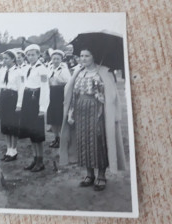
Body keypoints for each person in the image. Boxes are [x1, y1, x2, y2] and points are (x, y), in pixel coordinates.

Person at [59, 47, 127, 191]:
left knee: (98, 141)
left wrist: (99, 91)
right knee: (83, 142)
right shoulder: (79, 72)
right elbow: (72, 93)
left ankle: (101, 176)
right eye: (81, 56)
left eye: (87, 56)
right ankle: (89, 175)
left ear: (93, 57)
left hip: (97, 111)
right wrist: (71, 112)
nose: (83, 59)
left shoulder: (103, 72)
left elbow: (111, 95)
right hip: (80, 110)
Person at [18, 44, 50, 172]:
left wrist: (42, 107)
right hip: (27, 99)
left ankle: (40, 161)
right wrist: (20, 104)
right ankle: (35, 158)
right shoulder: (26, 68)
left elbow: (45, 89)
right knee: (31, 132)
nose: (31, 57)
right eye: (29, 55)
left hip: (36, 99)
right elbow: (23, 86)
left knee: (37, 133)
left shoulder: (42, 69)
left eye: (33, 55)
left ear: (38, 55)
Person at [0, 50, 24, 162]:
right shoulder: (2, 71)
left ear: (13, 59)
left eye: (7, 58)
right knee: (5, 125)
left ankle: (14, 150)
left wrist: (19, 104)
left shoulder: (19, 72)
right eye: (3, 58)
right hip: (4, 97)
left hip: (13, 97)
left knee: (13, 125)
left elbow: (21, 89)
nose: (4, 60)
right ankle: (8, 150)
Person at [47, 50, 71, 148]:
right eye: (54, 59)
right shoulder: (49, 68)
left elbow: (68, 82)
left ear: (61, 59)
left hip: (60, 93)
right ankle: (55, 137)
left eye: (57, 59)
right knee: (52, 118)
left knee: (59, 117)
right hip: (51, 93)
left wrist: (58, 79)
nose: (55, 61)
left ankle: (61, 139)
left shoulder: (64, 69)